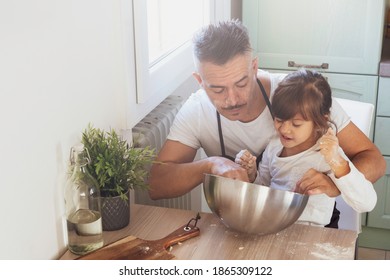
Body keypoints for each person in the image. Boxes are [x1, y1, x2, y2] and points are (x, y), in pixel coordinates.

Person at [148, 19, 385, 203]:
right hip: (237, 223)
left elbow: (373, 160)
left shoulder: (302, 96)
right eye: (217, 89)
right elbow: (156, 185)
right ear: (199, 81)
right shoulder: (196, 111)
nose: (232, 100)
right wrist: (210, 165)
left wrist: (334, 183)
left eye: (241, 83)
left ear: (254, 67)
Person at [235, 69, 377, 227]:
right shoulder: (274, 146)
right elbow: (264, 189)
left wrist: (338, 162)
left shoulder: (327, 154)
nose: (284, 130)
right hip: (273, 227)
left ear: (320, 121)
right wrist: (252, 175)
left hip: (312, 235)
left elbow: (367, 203)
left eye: (296, 124)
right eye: (279, 119)